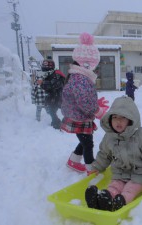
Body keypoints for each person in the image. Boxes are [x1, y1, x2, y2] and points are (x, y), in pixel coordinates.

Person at [85, 96, 142, 211]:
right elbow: (104, 154)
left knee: (130, 190)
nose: (118, 121)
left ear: (131, 120)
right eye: (115, 117)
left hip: (140, 175)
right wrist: (97, 166)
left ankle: (120, 202)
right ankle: (101, 199)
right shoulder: (109, 137)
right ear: (109, 119)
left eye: (123, 117)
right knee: (114, 187)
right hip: (120, 173)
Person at [61, 32, 109, 175]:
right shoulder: (81, 78)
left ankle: (73, 161)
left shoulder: (79, 76)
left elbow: (83, 97)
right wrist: (97, 110)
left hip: (78, 115)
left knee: (85, 140)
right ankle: (91, 169)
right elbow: (83, 100)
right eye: (94, 65)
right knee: (88, 143)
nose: (95, 68)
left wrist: (95, 102)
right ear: (86, 63)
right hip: (79, 117)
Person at [39, 56, 66, 129]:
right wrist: (42, 84)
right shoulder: (50, 74)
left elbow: (54, 85)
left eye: (46, 64)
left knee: (53, 111)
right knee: (52, 111)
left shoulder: (56, 74)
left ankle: (58, 124)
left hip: (57, 97)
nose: (44, 66)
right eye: (44, 64)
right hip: (53, 97)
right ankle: (56, 122)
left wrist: (42, 83)